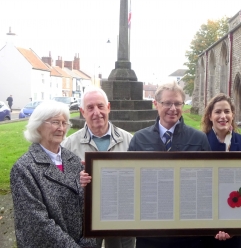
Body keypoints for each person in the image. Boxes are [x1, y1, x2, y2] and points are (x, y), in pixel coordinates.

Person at [128, 80, 211, 248]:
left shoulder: (199, 139)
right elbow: (130, 182)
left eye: (178, 103)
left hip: (188, 233)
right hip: (150, 233)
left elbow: (208, 184)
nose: (173, 109)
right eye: (167, 103)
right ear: (156, 104)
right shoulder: (139, 139)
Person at [10, 100, 96, 248]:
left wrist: (88, 241)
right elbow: (37, 225)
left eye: (64, 123)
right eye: (55, 122)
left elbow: (86, 207)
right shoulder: (24, 168)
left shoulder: (73, 160)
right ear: (38, 126)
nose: (61, 128)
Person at [62, 86, 135, 248]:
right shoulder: (68, 145)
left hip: (121, 218)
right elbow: (60, 186)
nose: (97, 112)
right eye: (90, 107)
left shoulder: (130, 141)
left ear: (108, 107)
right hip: (85, 219)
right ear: (82, 111)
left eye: (100, 106)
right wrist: (76, 181)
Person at [200, 93, 241, 248]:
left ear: (233, 115)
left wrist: (234, 224)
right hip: (209, 220)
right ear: (209, 116)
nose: (223, 116)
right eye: (218, 112)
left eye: (227, 111)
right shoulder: (200, 143)